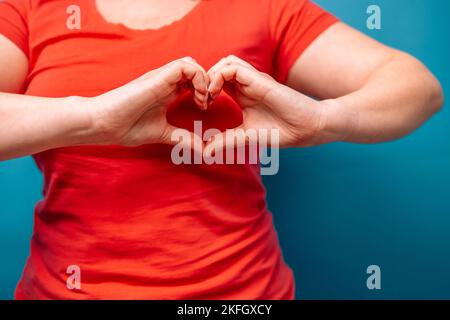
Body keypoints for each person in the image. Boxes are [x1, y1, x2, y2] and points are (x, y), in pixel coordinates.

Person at [0, 0, 443, 299]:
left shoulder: (261, 7)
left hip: (244, 297)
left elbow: (417, 87)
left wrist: (320, 121)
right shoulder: (32, 8)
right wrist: (93, 118)